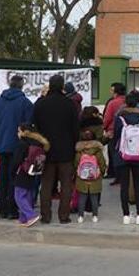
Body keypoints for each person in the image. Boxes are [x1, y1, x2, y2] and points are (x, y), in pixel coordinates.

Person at [33, 74, 80, 224]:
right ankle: (64, 216)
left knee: (46, 184)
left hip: (45, 151)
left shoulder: (40, 104)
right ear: (62, 86)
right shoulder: (69, 104)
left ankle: (45, 216)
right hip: (66, 152)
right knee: (66, 184)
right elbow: (75, 129)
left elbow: (35, 126)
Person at [0, 75, 34, 219]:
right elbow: (28, 127)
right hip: (18, 146)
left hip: (2, 145)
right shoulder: (26, 103)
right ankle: (13, 210)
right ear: (21, 85)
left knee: (2, 178)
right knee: (15, 178)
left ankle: (2, 209)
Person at [113, 90, 139, 225]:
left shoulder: (120, 117)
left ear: (125, 103)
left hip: (123, 154)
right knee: (138, 183)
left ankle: (126, 216)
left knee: (124, 185)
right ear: (138, 102)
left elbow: (116, 135)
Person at [11, 123, 49, 227]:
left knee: (19, 195)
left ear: (24, 132)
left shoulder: (22, 144)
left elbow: (16, 161)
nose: (17, 133)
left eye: (19, 131)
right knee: (27, 194)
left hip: (22, 171)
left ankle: (30, 215)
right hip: (33, 171)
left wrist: (12, 172)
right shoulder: (39, 143)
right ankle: (23, 219)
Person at [75, 130, 107, 224]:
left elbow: (76, 164)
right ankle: (95, 216)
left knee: (82, 198)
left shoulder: (79, 151)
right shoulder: (98, 151)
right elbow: (102, 164)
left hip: (82, 178)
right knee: (94, 198)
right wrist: (101, 173)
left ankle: (80, 217)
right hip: (95, 179)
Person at [103, 83, 127, 181]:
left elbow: (107, 118)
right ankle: (120, 174)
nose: (111, 92)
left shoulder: (112, 103)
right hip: (126, 132)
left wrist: (104, 127)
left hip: (113, 131)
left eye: (112, 90)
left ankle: (116, 175)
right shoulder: (127, 101)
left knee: (113, 152)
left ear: (116, 92)